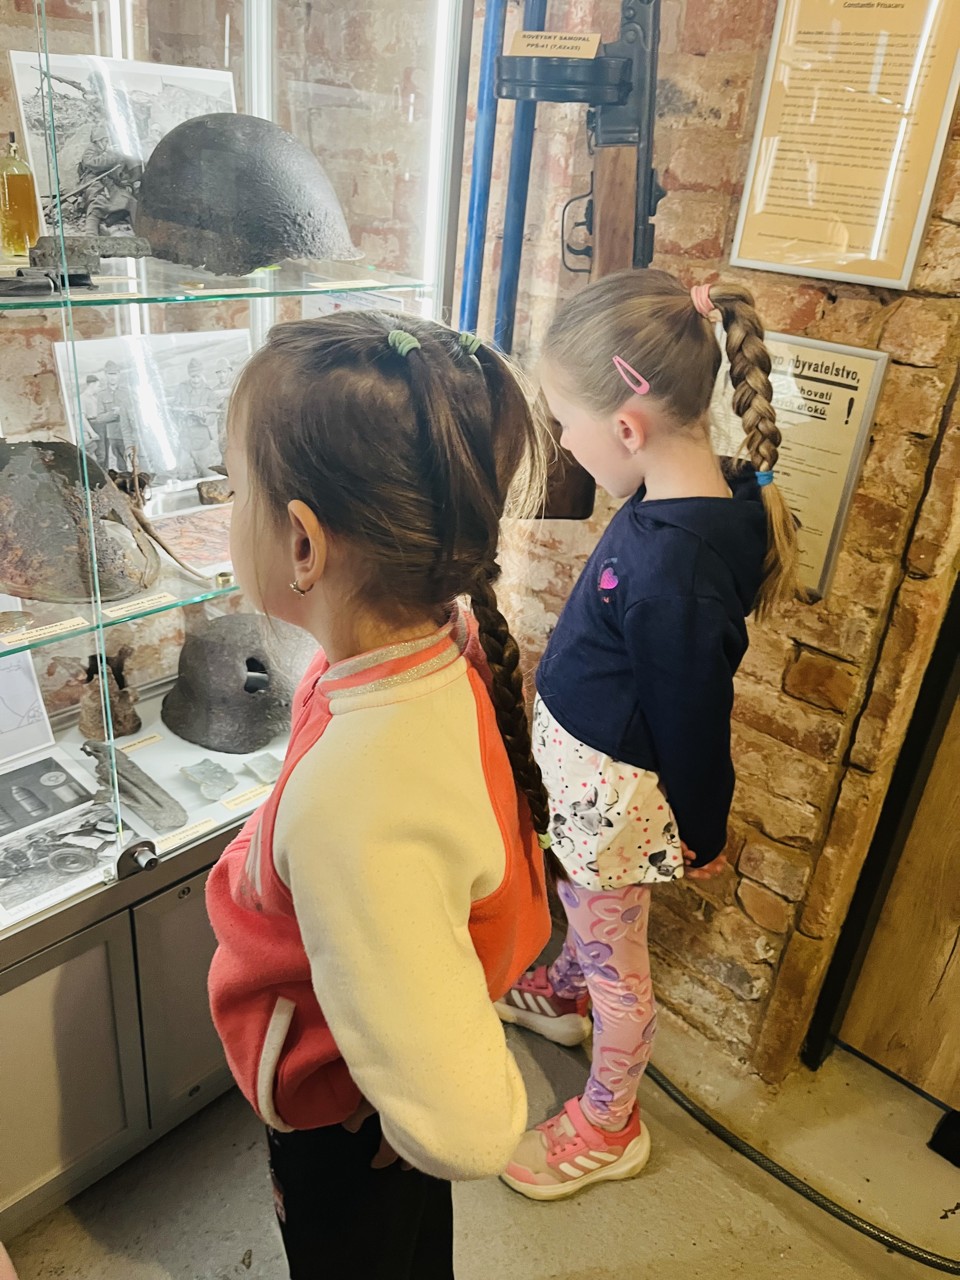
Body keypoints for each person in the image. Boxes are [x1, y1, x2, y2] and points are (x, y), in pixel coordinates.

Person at [206, 312, 553, 1279]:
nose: (228, 509)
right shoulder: (432, 644)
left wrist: (415, 1114)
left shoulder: (357, 803)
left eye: (234, 489)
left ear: (303, 544)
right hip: (370, 1074)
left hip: (343, 1117)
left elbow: (469, 1127)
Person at [495, 268, 799, 1200]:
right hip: (591, 788)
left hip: (617, 804)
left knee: (619, 965)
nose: (564, 444)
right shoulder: (677, 501)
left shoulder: (675, 569)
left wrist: (703, 831)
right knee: (588, 916)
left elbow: (693, 721)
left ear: (628, 430)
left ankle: (610, 1121)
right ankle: (568, 989)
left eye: (565, 425)